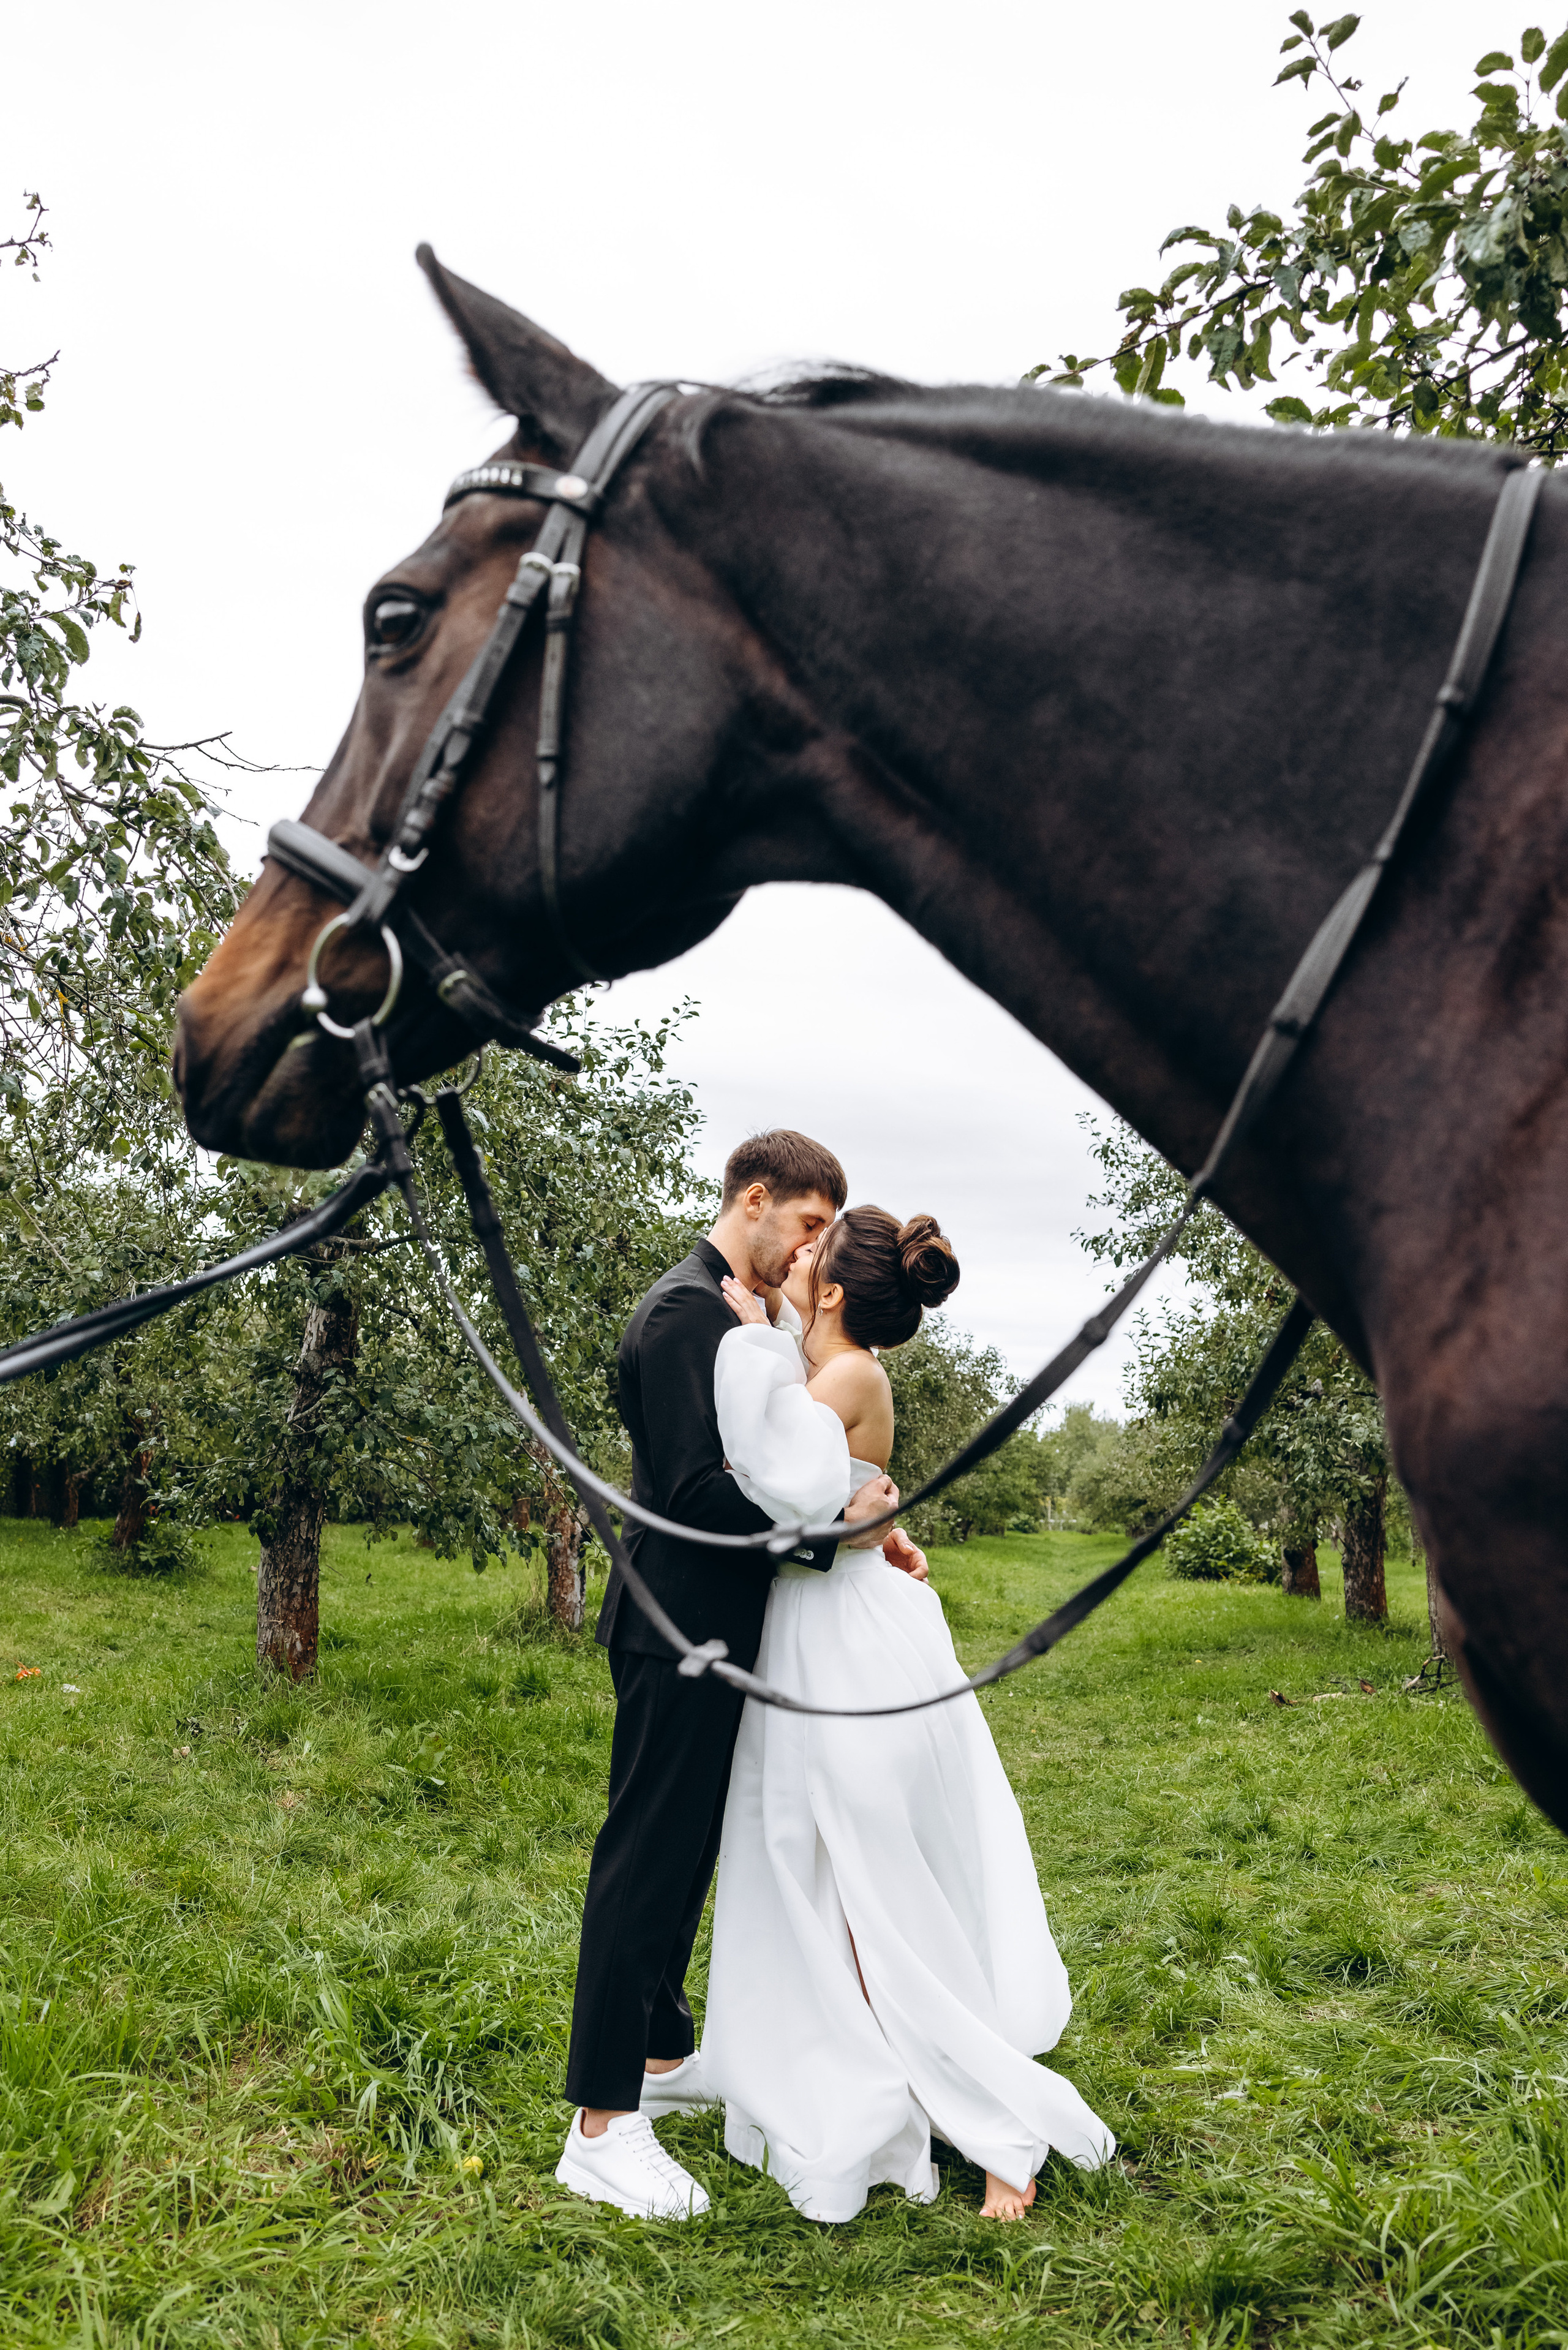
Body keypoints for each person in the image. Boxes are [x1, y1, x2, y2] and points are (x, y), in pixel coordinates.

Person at [701, 1206, 1116, 2223]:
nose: (799, 1258)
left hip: (842, 1637)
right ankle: (875, 2066)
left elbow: (773, 1476)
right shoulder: (828, 1362)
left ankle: (1002, 2130)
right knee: (825, 1870)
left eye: (813, 1255)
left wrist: (751, 1329)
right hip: (818, 1624)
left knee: (874, 1875)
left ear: (835, 1291)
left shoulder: (843, 1376)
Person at [556, 1132, 922, 2221]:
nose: (818, 1252)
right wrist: (831, 1534)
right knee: (646, 1855)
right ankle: (600, 2125)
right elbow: (693, 1496)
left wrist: (866, 1523)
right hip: (678, 1624)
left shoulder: (745, 1318)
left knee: (689, 1855)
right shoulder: (685, 1316)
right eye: (810, 1225)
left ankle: (664, 2057)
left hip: (728, 1625)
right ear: (754, 1200)